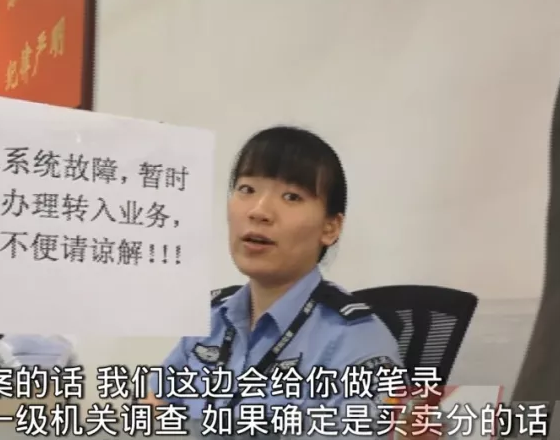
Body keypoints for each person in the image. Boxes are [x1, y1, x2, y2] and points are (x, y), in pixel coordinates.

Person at [147, 125, 403, 416]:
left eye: (291, 196)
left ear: (330, 228)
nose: (258, 211)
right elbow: (147, 420)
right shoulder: (211, 320)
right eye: (247, 189)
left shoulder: (358, 344)